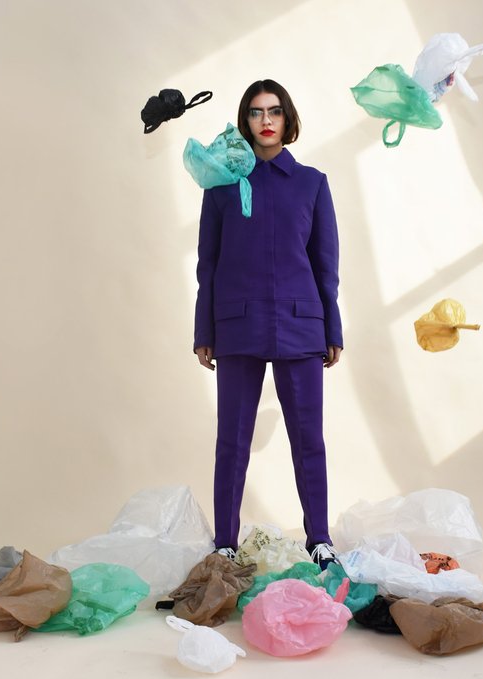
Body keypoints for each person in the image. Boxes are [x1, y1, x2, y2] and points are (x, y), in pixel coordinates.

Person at [193, 79, 343, 569]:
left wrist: (332, 328)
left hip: (301, 324)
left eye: (274, 111)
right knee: (231, 440)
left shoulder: (312, 183)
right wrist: (204, 331)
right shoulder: (220, 185)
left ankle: (319, 538)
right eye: (256, 112)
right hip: (237, 324)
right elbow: (207, 265)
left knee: (309, 438)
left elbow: (326, 265)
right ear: (246, 121)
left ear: (287, 118)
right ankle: (225, 543)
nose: (265, 120)